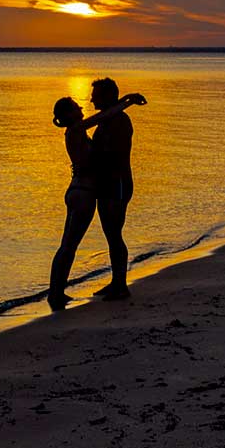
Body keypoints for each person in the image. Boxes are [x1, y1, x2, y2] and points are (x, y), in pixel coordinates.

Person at [48, 90, 146, 311]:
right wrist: (127, 101)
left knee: (68, 246)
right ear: (69, 115)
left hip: (78, 191)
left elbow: (103, 119)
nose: (83, 107)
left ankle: (57, 293)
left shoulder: (77, 132)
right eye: (76, 107)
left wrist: (124, 101)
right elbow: (101, 117)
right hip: (83, 193)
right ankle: (55, 294)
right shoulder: (75, 130)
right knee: (68, 246)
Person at [89, 77, 137, 302]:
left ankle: (121, 285)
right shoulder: (106, 120)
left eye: (96, 95)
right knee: (111, 235)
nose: (91, 99)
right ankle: (116, 281)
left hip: (117, 183)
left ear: (108, 97)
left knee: (115, 234)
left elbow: (112, 154)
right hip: (107, 184)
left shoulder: (119, 121)